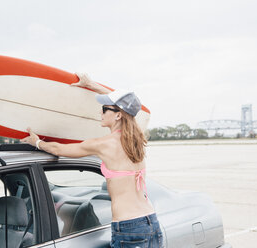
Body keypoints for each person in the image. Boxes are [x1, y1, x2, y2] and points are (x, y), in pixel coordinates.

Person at [21, 73, 164, 248]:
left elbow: (58, 150)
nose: (100, 112)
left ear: (118, 115)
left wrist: (36, 141)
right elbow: (130, 108)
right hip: (150, 221)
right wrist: (91, 85)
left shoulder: (103, 144)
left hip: (128, 227)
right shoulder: (137, 140)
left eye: (104, 109)